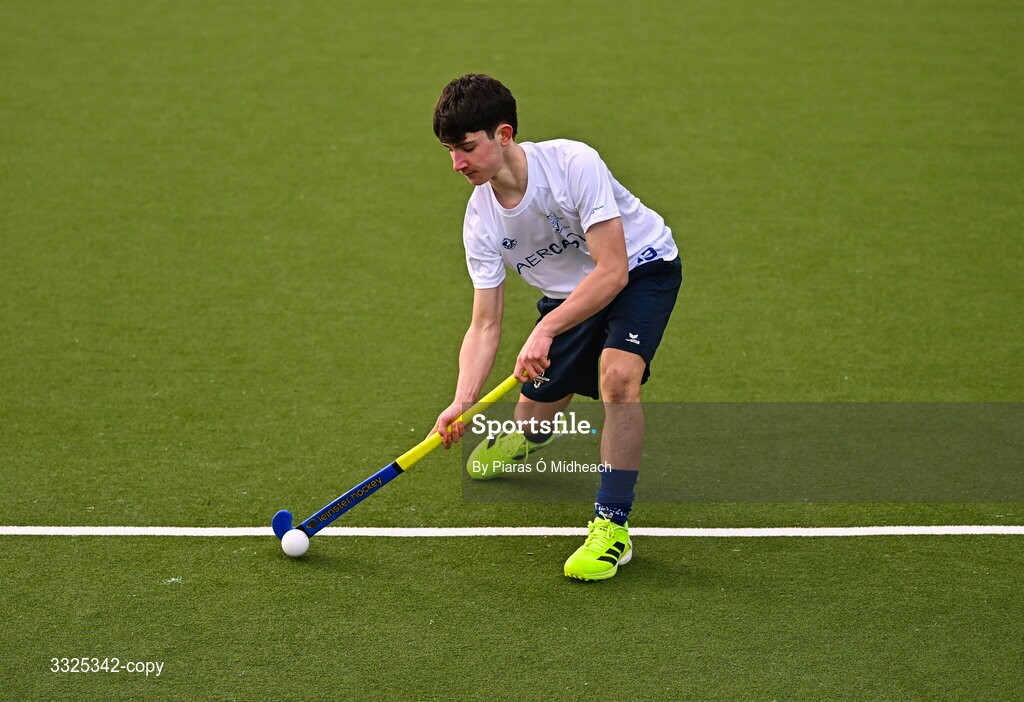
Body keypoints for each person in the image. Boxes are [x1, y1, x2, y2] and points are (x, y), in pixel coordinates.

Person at [429, 74, 682, 581]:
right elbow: (484, 323)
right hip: (570, 297)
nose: (457, 164)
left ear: (504, 135)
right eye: (449, 151)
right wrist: (464, 400)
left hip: (641, 267)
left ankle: (611, 528)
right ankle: (526, 437)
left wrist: (546, 331)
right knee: (535, 417)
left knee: (618, 377)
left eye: (466, 148)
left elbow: (613, 271)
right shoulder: (480, 221)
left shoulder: (572, 164)